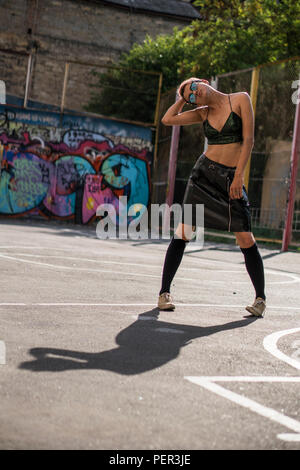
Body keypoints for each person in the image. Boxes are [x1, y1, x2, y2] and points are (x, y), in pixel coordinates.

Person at [157, 77, 266, 317]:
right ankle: (164, 293)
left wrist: (239, 176)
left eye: (195, 87)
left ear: (204, 82)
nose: (196, 94)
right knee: (184, 231)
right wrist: (182, 99)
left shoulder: (240, 99)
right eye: (191, 96)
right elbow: (167, 120)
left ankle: (260, 300)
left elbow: (249, 140)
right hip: (204, 176)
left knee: (245, 237)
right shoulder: (201, 113)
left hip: (231, 178)